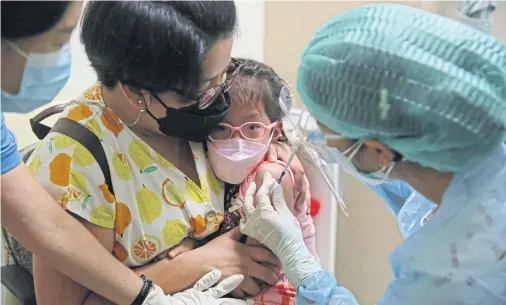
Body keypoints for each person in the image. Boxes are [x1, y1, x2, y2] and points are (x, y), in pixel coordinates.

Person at [24, 2, 308, 304]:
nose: (219, 98)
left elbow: (260, 108)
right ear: (136, 92)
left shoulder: (202, 89)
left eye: (222, 77)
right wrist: (192, 266)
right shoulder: (76, 163)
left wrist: (278, 143)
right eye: (201, 90)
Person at [239, 3, 506, 305]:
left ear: (378, 150)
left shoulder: (447, 282)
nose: (320, 140)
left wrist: (302, 266)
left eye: (328, 133)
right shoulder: (470, 149)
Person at [205, 59, 318, 304]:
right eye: (221, 127)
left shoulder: (271, 176)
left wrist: (192, 258)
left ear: (274, 132)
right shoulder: (206, 165)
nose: (236, 139)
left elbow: (256, 276)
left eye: (252, 127)